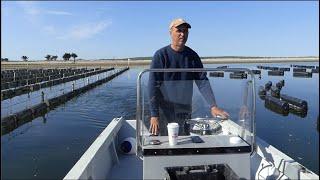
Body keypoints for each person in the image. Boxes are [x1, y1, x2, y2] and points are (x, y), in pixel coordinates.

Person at [148, 18, 229, 136]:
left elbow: (202, 82)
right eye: (179, 30)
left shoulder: (193, 56)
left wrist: (213, 106)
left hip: (185, 108)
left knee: (184, 140)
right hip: (164, 109)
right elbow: (152, 86)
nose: (182, 34)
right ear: (170, 32)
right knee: (167, 142)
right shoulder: (161, 56)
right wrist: (154, 114)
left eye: (185, 31)